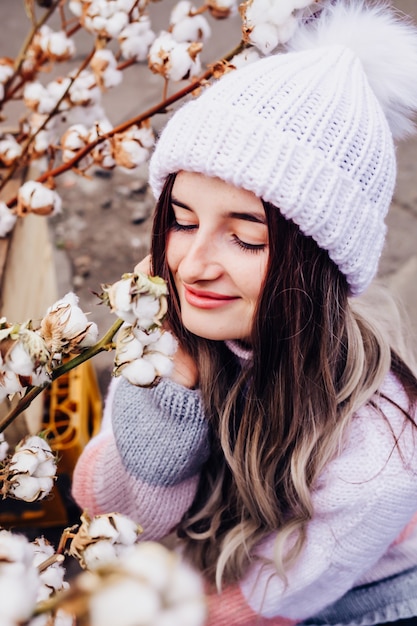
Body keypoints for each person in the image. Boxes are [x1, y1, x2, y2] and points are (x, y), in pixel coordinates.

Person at [72, 1, 417, 624]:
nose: (192, 264)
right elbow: (108, 515)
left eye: (247, 237)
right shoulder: (169, 332)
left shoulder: (377, 461)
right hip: (208, 565)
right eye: (181, 221)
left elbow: (248, 609)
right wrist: (162, 393)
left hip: (349, 604)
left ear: (319, 263)